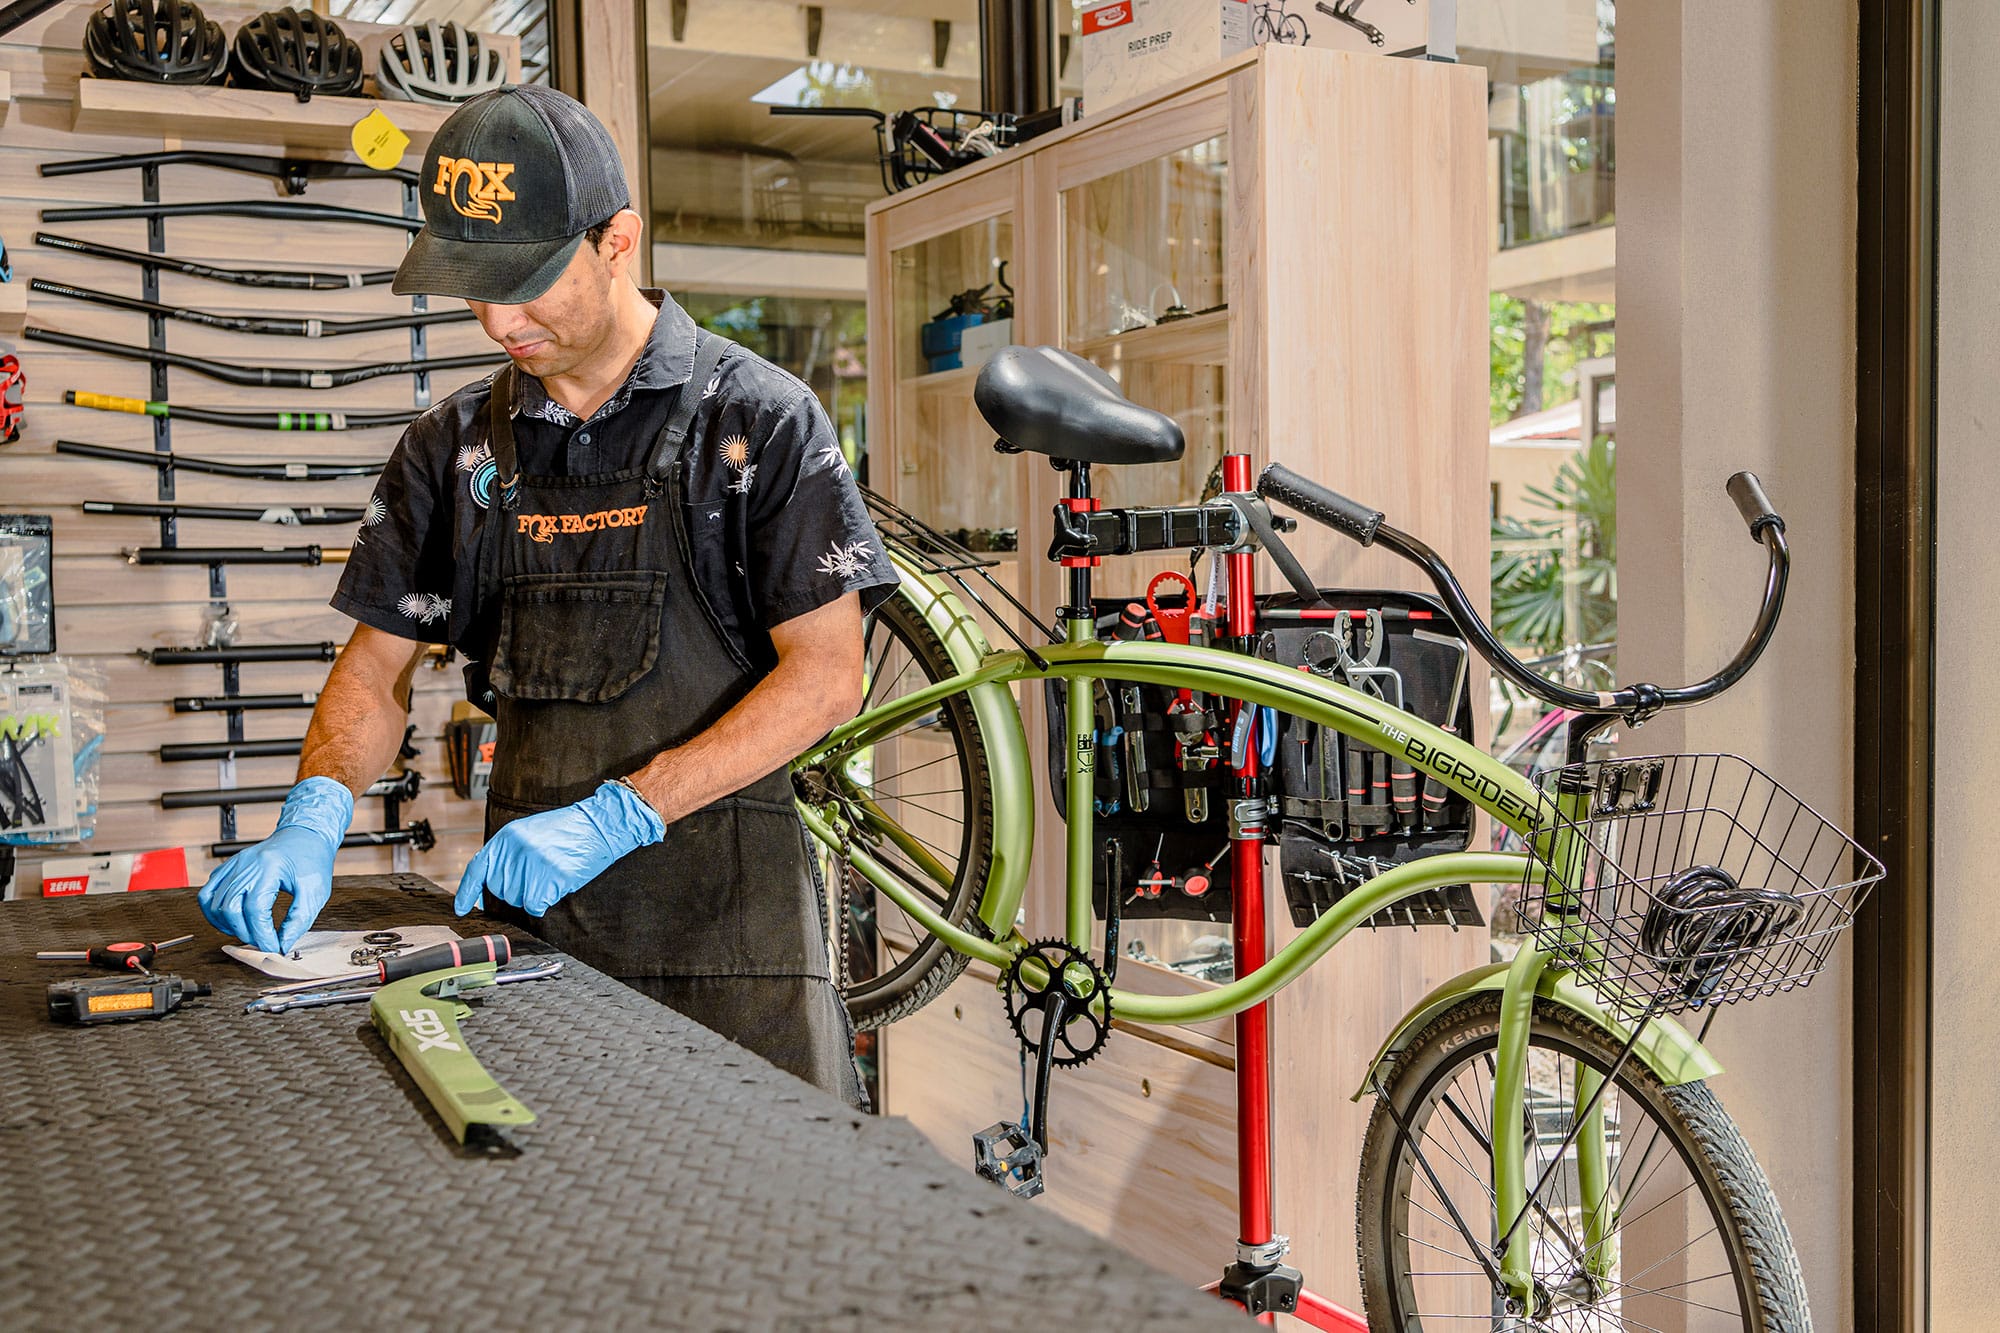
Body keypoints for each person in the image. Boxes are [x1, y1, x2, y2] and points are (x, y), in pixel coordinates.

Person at [197, 85, 895, 1106]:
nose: (496, 318)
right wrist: (314, 811)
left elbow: (828, 680)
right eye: (471, 285)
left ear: (618, 239)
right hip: (536, 953)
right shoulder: (451, 450)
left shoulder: (758, 421)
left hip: (731, 946)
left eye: (525, 283)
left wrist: (619, 814)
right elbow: (376, 670)